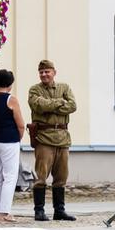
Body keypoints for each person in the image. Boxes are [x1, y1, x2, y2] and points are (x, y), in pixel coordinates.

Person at [28, 59, 77, 221]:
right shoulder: (34, 90)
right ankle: (39, 210)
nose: (44, 75)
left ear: (54, 72)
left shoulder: (65, 87)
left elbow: (72, 106)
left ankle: (59, 211)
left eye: (47, 71)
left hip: (62, 138)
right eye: (41, 72)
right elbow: (38, 106)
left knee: (61, 177)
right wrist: (59, 103)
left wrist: (50, 105)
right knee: (41, 176)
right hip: (44, 138)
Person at [0, 69, 25, 223]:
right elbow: (20, 124)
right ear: (10, 84)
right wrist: (19, 137)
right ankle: (5, 212)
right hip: (8, 141)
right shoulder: (11, 99)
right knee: (9, 177)